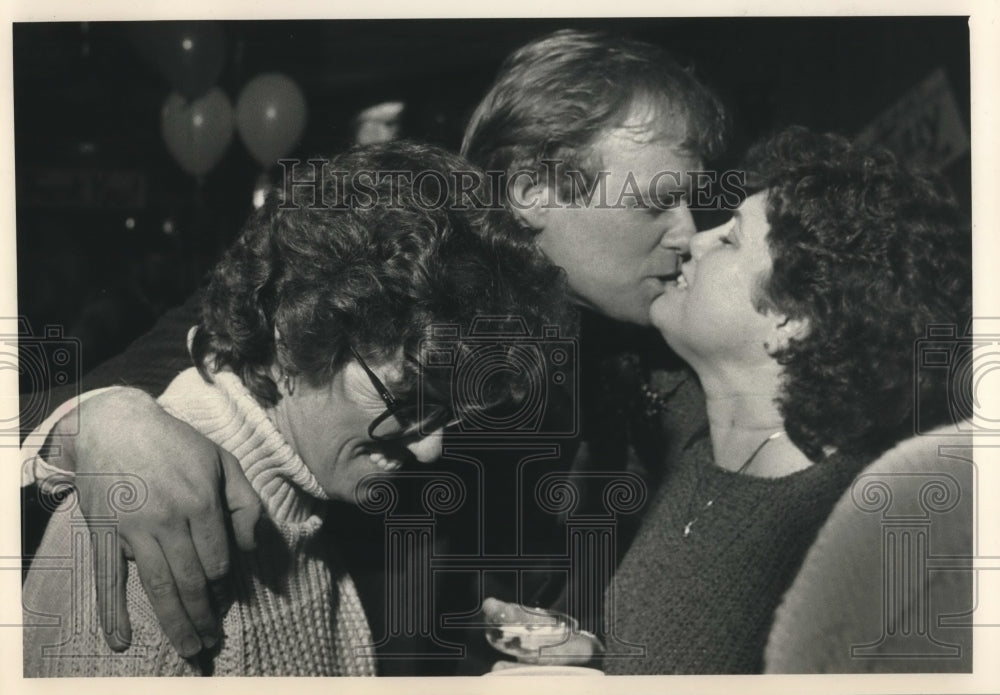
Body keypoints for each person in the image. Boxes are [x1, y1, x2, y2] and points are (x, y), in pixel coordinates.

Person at [21, 29, 727, 669]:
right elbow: (102, 395)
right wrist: (100, 421)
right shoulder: (366, 276)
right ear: (531, 189)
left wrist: (588, 650)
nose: (689, 231)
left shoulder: (649, 360)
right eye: (655, 201)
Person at [21, 141, 567, 676]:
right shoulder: (149, 538)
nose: (431, 449)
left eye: (447, 413)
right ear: (297, 333)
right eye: (404, 402)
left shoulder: (311, 492)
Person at [483, 127, 972, 673]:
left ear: (789, 320)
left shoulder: (842, 532)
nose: (695, 239)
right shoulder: (699, 449)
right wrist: (592, 661)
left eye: (731, 239)